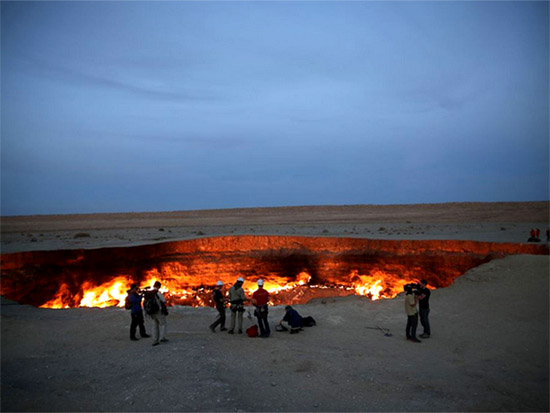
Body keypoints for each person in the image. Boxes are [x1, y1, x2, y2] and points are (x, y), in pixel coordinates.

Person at [150, 281, 169, 346]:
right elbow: (163, 300)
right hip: (158, 311)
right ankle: (162, 337)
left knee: (155, 326)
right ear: (159, 286)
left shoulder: (150, 292)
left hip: (151, 312)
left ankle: (155, 340)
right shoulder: (157, 293)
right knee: (163, 324)